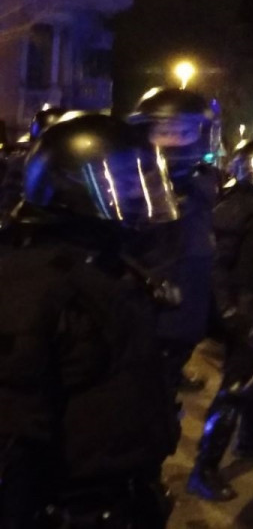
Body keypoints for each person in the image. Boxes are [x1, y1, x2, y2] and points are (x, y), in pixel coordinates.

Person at [0, 113, 180, 527]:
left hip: (127, 491)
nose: (134, 191)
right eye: (120, 180)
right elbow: (13, 432)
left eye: (139, 178)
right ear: (67, 186)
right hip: (74, 507)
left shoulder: (105, 258)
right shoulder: (27, 282)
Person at [188, 139, 253, 502]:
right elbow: (217, 265)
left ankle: (249, 438)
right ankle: (204, 468)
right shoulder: (232, 207)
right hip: (242, 305)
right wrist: (228, 310)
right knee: (236, 387)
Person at [128, 86, 221, 395]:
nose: (176, 140)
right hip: (152, 290)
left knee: (183, 342)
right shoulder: (134, 181)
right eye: (165, 132)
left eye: (185, 132)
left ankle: (172, 376)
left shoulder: (203, 178)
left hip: (193, 280)